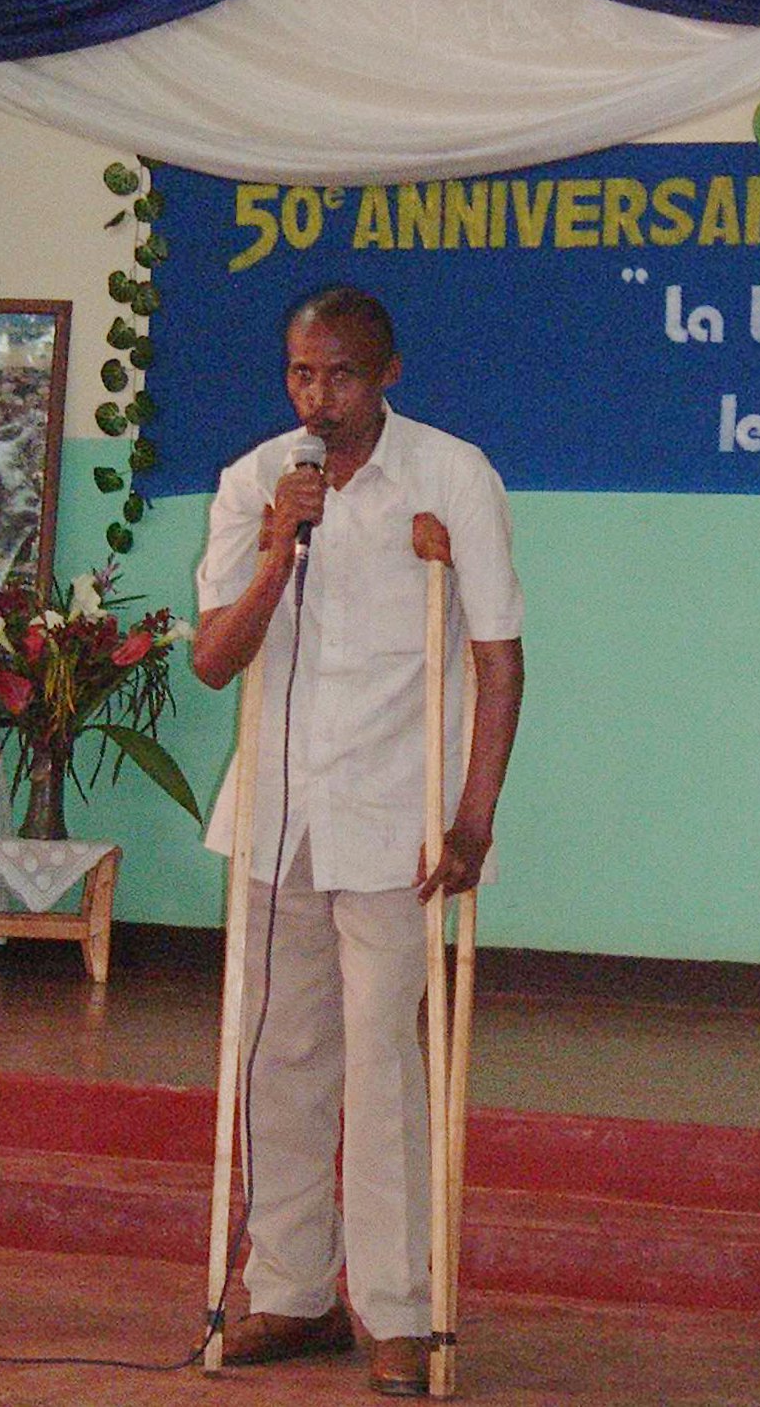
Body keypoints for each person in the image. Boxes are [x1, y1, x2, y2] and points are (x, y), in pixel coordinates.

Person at [193, 286, 524, 1395]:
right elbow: (214, 661)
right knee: (278, 1059)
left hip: (396, 824)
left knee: (384, 1067)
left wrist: (475, 813)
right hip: (277, 822)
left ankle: (399, 1312)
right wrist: (277, 551)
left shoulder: (453, 476)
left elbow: (498, 659)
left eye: (340, 374)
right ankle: (293, 1292)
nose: (317, 397)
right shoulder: (256, 481)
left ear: (388, 373)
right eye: (301, 373)